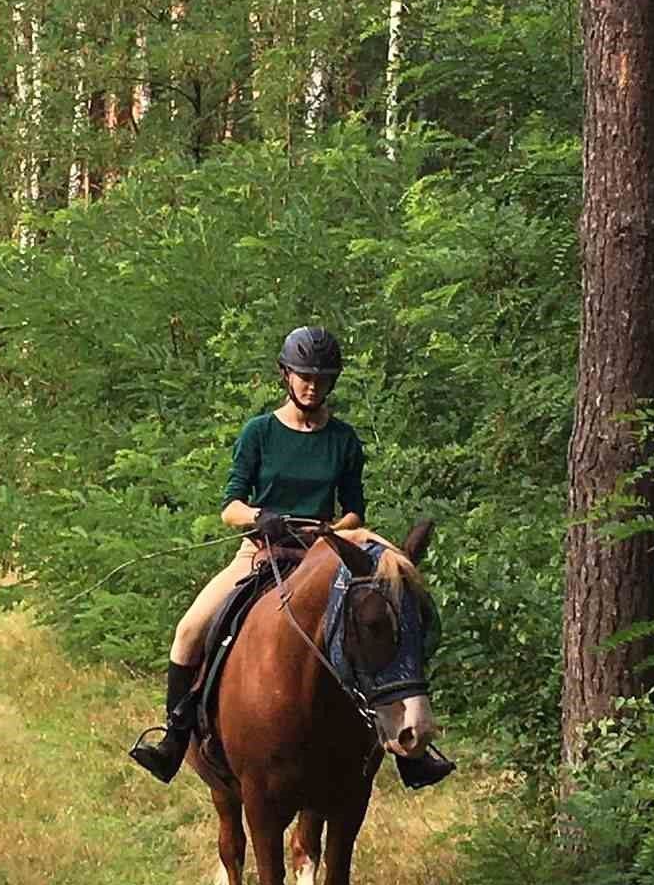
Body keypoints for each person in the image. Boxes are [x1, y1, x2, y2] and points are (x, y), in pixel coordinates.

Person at [128, 325, 454, 790]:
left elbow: (354, 510)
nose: (312, 386)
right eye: (305, 376)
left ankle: (409, 750)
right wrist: (261, 517)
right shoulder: (259, 432)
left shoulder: (343, 439)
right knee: (188, 631)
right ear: (286, 375)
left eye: (322, 379)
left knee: (382, 619)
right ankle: (174, 738)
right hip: (261, 551)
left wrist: (332, 530)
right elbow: (230, 506)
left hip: (321, 555)